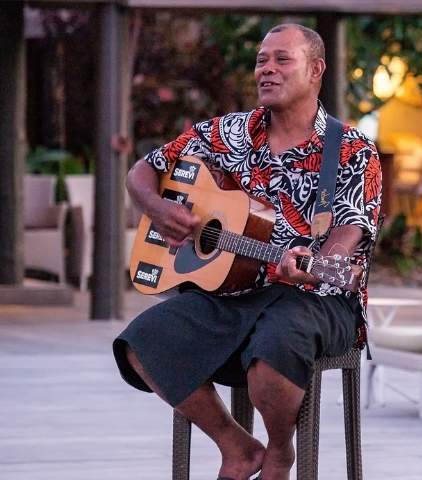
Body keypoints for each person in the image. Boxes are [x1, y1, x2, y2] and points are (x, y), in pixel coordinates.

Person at [113, 24, 382, 480]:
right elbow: (144, 170)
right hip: (229, 294)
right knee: (144, 342)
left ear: (315, 70)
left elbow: (350, 228)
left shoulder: (352, 150)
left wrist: (316, 267)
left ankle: (280, 452)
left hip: (317, 298)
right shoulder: (226, 133)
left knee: (276, 343)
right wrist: (158, 209)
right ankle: (236, 445)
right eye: (262, 60)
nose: (267, 70)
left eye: (282, 60)